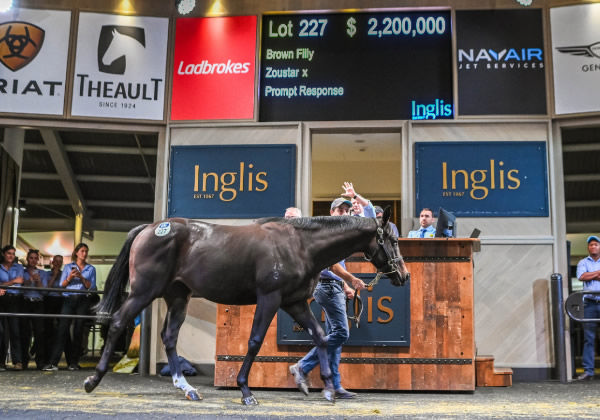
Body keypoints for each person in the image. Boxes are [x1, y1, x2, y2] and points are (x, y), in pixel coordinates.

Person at [289, 196, 367, 399]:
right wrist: (346, 282)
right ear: (331, 213)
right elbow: (324, 267)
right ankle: (302, 366)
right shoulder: (325, 235)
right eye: (339, 210)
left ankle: (335, 385)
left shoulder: (339, 235)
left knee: (336, 339)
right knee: (341, 333)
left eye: (346, 210)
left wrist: (344, 286)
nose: (343, 213)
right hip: (327, 287)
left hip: (333, 288)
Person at [44, 243, 96, 371]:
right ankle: (53, 363)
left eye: (86, 251)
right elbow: (62, 285)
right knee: (62, 329)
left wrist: (81, 277)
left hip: (83, 299)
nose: (85, 254)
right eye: (82, 251)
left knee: (78, 331)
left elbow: (92, 287)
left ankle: (74, 363)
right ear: (76, 253)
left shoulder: (91, 268)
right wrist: (70, 276)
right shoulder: (68, 267)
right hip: (69, 299)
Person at [575, 235, 600, 381]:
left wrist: (591, 275)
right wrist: (598, 273)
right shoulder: (583, 262)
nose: (593, 247)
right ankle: (589, 371)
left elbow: (587, 275)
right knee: (589, 338)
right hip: (589, 304)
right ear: (588, 248)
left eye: (596, 244)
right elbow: (582, 276)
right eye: (591, 245)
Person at [20, 249, 48, 370]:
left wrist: (38, 281)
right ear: (27, 259)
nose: (33, 260)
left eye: (35, 258)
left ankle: (40, 361)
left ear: (38, 260)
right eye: (31, 258)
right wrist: (29, 280)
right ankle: (24, 361)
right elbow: (21, 288)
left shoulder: (43, 273)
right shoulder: (22, 272)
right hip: (26, 302)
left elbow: (44, 291)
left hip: (38, 303)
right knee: (25, 333)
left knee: (40, 332)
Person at [0, 245, 25, 370]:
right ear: (4, 254)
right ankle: (1, 362)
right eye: (9, 253)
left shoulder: (19, 267)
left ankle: (18, 361)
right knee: (1, 332)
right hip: (1, 300)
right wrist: (13, 281)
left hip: (14, 300)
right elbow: (16, 281)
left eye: (13, 254)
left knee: (15, 330)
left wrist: (4, 285)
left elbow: (20, 281)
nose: (11, 256)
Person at [44, 255, 64, 368]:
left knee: (61, 330)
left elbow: (64, 290)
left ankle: (57, 358)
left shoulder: (64, 275)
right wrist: (54, 276)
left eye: (60, 262)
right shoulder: (46, 274)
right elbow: (46, 289)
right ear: (52, 262)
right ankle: (47, 359)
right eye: (56, 261)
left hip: (61, 301)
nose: (57, 263)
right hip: (49, 301)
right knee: (48, 330)